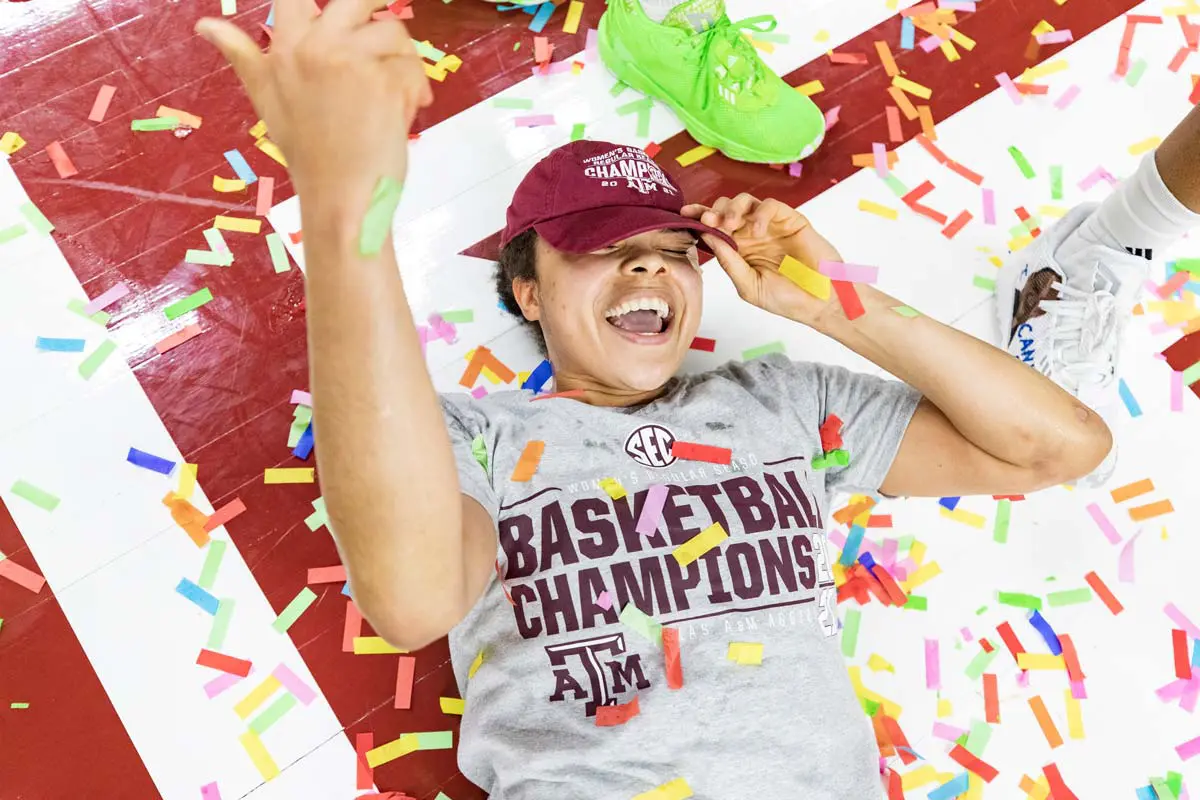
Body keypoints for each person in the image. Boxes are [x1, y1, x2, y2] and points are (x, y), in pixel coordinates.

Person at [196, 3, 1167, 797]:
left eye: (667, 251)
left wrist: (839, 301)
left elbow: (1059, 445)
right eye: (604, 251)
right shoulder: (473, 436)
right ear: (527, 292)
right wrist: (343, 206)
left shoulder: (777, 402)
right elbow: (410, 600)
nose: (646, 271)